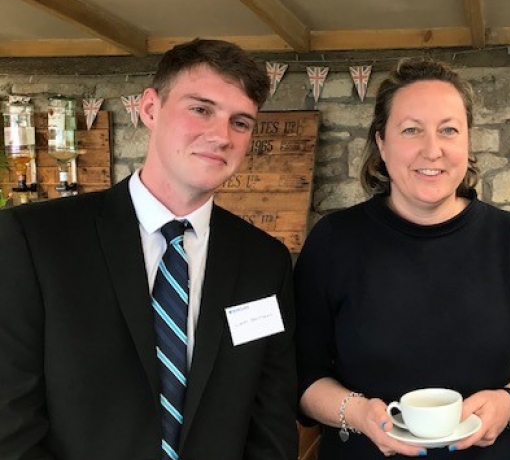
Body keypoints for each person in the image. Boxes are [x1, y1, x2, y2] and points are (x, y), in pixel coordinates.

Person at [0, 39, 298, 460]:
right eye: (201, 109)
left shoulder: (264, 262)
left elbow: (271, 418)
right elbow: (9, 416)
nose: (220, 135)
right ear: (150, 109)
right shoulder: (37, 240)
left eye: (241, 122)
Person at [294, 58, 510, 460]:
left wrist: (509, 401)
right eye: (411, 130)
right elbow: (302, 373)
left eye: (449, 130)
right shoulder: (334, 241)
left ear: (467, 142)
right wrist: (356, 412)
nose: (432, 149)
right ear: (382, 144)